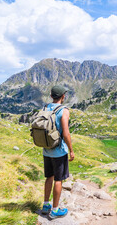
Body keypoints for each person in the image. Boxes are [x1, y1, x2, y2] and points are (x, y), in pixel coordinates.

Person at [41, 85, 75, 219]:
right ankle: (55, 210)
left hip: (46, 150)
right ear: (63, 96)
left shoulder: (45, 108)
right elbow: (66, 133)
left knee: (48, 177)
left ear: (51, 96)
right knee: (58, 180)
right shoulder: (64, 110)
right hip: (59, 152)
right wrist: (71, 150)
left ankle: (45, 205)